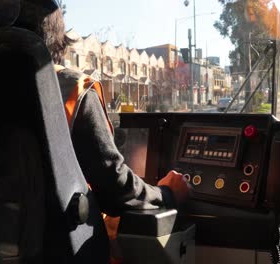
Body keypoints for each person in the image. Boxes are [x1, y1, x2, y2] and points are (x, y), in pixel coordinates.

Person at [17, 0, 189, 221]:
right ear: (59, 41)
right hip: (61, 241)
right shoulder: (74, 90)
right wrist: (167, 193)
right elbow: (114, 189)